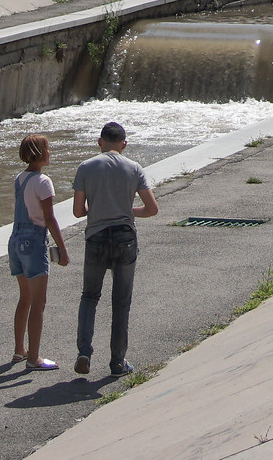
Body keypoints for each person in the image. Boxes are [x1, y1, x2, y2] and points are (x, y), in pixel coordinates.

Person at [71, 121, 158, 377]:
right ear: (124, 144)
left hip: (96, 237)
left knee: (89, 296)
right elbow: (152, 209)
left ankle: (84, 352)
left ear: (99, 142)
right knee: (121, 303)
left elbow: (78, 211)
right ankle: (118, 363)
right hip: (125, 237)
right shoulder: (134, 168)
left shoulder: (86, 167)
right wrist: (124, 210)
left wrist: (100, 210)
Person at [9, 134, 70, 369]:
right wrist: (62, 249)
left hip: (15, 240)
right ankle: (34, 358)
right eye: (47, 148)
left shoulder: (19, 178)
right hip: (34, 242)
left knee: (24, 298)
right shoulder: (44, 182)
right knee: (39, 302)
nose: (50, 152)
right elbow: (49, 219)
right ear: (40, 153)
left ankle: (19, 350)